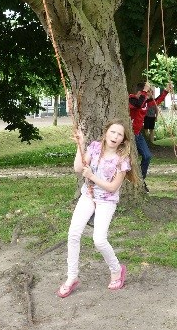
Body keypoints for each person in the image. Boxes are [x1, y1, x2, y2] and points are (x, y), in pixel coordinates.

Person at [57, 119, 137, 298]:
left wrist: (92, 176)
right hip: (89, 196)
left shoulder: (122, 160)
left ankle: (117, 270)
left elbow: (112, 188)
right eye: (113, 132)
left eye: (119, 134)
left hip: (106, 201)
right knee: (73, 234)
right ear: (106, 132)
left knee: (99, 240)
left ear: (123, 139)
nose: (115, 136)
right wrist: (81, 144)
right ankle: (71, 277)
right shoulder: (94, 147)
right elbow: (78, 168)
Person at [129, 81, 171, 191]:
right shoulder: (131, 98)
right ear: (140, 92)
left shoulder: (146, 102)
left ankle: (141, 181)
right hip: (128, 135)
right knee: (129, 160)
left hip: (137, 134)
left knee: (147, 156)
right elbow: (138, 105)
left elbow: (157, 101)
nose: (150, 94)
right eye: (148, 92)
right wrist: (145, 91)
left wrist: (166, 90)